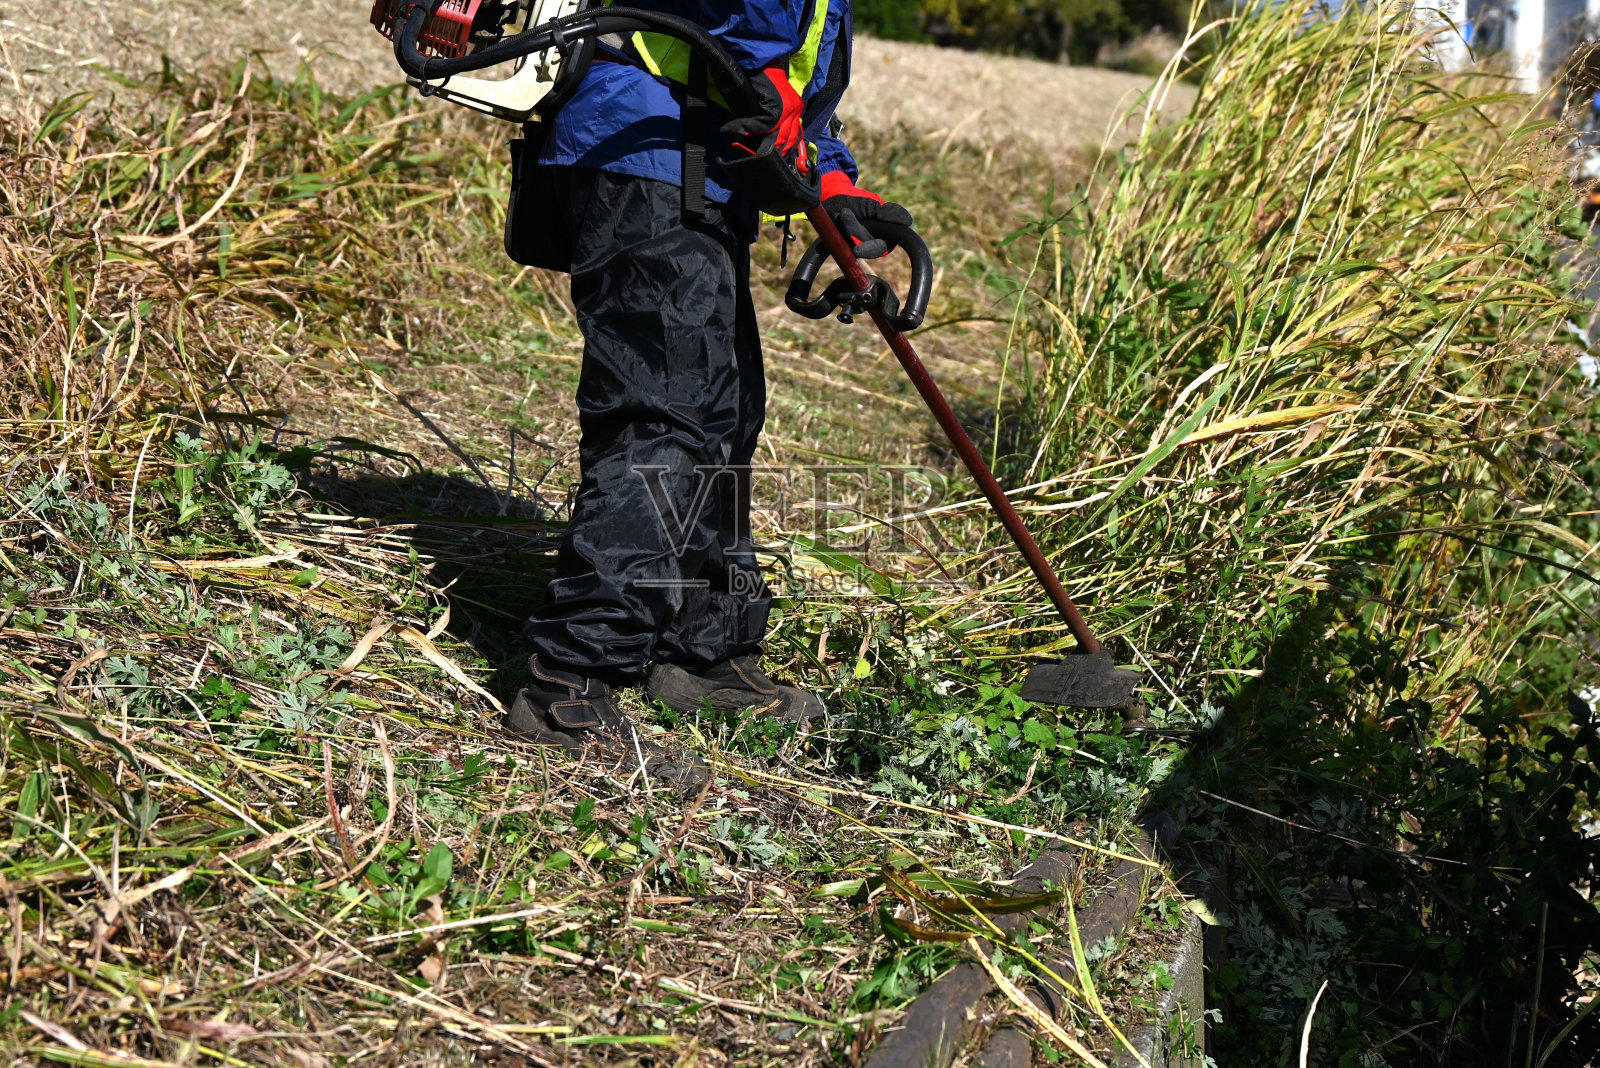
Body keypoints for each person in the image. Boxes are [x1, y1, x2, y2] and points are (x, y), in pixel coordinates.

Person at [500, 0, 916, 781]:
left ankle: (700, 645)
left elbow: (787, 91)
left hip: (697, 165)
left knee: (724, 415)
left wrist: (831, 182)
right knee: (666, 414)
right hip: (643, 146)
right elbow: (740, 30)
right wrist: (769, 100)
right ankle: (570, 678)